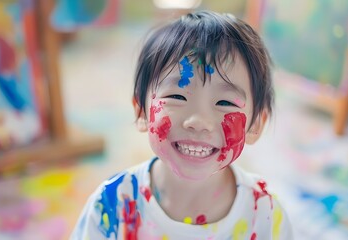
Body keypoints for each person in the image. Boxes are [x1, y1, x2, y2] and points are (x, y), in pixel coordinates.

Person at [71, 10, 293, 239]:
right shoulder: (112, 205)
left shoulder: (265, 216)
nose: (198, 121)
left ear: (255, 124)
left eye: (225, 102)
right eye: (177, 97)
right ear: (141, 111)